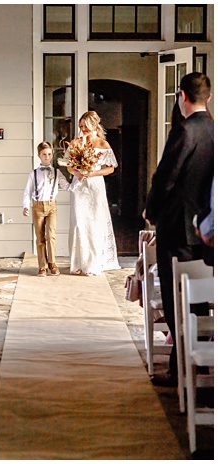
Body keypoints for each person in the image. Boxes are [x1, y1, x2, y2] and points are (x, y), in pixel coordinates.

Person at [144, 72, 214, 386]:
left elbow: (165, 178)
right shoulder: (213, 129)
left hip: (178, 224)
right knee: (200, 298)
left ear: (182, 96)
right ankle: (194, 363)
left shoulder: (184, 130)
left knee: (175, 299)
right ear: (208, 97)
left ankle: (182, 367)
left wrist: (151, 210)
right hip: (206, 225)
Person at [66, 111, 120, 276]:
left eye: (86, 126)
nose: (83, 129)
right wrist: (78, 174)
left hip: (95, 186)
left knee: (95, 222)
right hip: (80, 186)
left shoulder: (103, 144)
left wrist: (93, 173)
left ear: (94, 125)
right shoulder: (75, 143)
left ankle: (93, 263)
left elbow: (111, 168)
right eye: (81, 126)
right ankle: (78, 263)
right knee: (79, 222)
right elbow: (69, 166)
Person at [23, 141, 70, 276]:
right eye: (44, 154)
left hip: (51, 206)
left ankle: (52, 263)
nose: (47, 157)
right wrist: (26, 206)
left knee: (51, 235)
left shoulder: (57, 172)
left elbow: (66, 186)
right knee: (40, 237)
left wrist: (79, 180)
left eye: (49, 154)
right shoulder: (34, 174)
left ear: (52, 154)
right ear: (39, 155)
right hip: (37, 206)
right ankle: (42, 266)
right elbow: (27, 191)